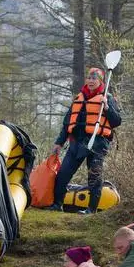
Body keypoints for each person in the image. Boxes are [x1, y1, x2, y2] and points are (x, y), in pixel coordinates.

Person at [51, 66, 122, 213]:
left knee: (94, 177)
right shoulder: (79, 97)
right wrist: (59, 142)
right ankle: (57, 204)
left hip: (98, 143)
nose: (90, 81)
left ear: (100, 81)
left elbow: (116, 121)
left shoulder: (107, 98)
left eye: (94, 78)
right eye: (89, 78)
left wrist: (107, 108)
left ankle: (91, 209)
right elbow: (67, 123)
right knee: (63, 174)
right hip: (77, 142)